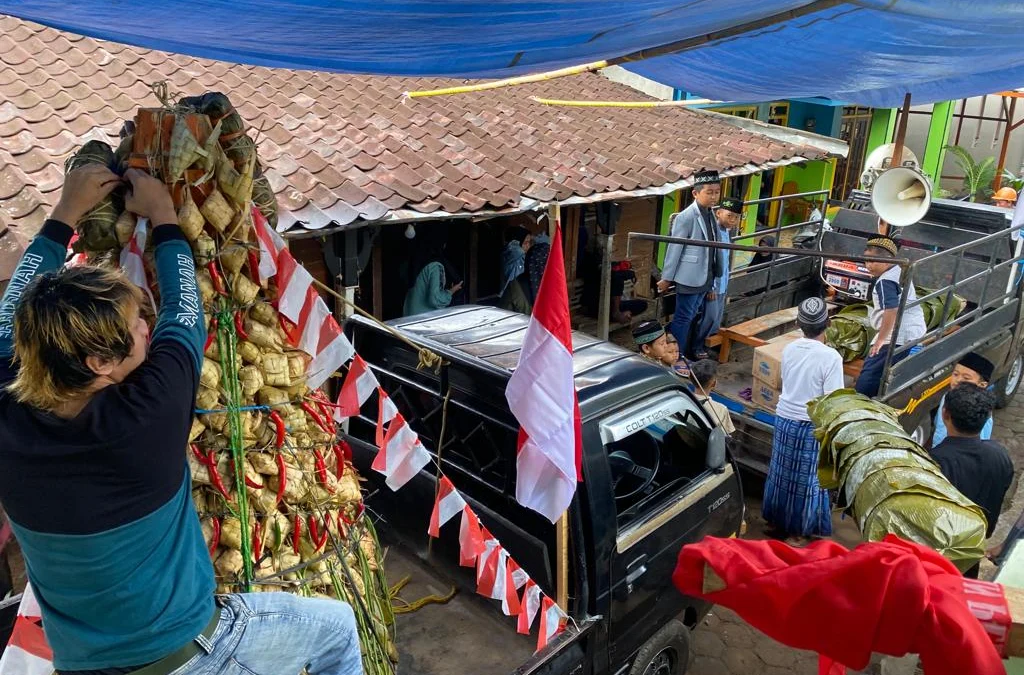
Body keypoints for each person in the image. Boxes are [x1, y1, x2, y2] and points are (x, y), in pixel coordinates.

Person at [0, 166, 362, 675]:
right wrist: (165, 216)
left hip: (81, 666)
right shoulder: (145, 415)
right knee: (338, 630)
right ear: (100, 365)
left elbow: (10, 309)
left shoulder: (8, 410)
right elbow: (186, 313)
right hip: (188, 656)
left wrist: (64, 213)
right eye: (135, 326)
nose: (148, 327)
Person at [763, 297, 844, 538]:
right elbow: (832, 401)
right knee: (805, 481)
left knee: (780, 474)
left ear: (799, 324)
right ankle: (799, 531)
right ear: (827, 324)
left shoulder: (789, 349)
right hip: (809, 425)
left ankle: (776, 521)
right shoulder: (831, 358)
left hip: (784, 419)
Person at [930, 384, 1012, 578]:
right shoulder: (999, 455)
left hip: (940, 556)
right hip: (974, 547)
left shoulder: (933, 462)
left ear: (945, 414)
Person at [657, 170, 722, 373]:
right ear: (696, 193)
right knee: (683, 318)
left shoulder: (711, 214)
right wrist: (667, 278)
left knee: (693, 315)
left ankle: (684, 353)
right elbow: (674, 249)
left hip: (706, 275)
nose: (713, 196)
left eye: (717, 192)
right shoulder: (686, 217)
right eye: (709, 192)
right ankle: (677, 358)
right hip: (689, 276)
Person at [854, 235, 927, 398]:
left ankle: (862, 399)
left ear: (887, 261)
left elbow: (891, 311)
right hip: (913, 329)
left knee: (868, 378)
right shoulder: (899, 270)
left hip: (897, 335)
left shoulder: (885, 282)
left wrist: (881, 340)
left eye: (873, 261)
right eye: (866, 261)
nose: (868, 265)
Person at [694, 198, 742, 359]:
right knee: (708, 318)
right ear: (718, 213)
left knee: (716, 320)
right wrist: (711, 286)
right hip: (714, 285)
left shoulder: (725, 232)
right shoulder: (713, 232)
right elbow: (709, 260)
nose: (733, 220)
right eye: (729, 216)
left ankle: (706, 347)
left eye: (736, 217)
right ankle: (697, 347)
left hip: (722, 285)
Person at [931, 352, 995, 446]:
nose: (958, 380)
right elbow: (938, 425)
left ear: (982, 385)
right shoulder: (947, 396)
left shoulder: (981, 411)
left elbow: (980, 442)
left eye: (966, 378)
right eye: (955, 374)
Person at [404, 238, 462, 316]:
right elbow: (434, 300)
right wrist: (451, 291)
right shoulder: (434, 266)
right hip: (422, 318)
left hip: (409, 314)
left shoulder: (416, 262)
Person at [689, 359, 736, 435]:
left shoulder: (682, 399)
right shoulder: (721, 409)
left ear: (689, 378)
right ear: (714, 384)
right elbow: (723, 437)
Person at [501, 226, 532, 296]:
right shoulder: (512, 254)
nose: (528, 246)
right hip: (510, 295)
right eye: (525, 243)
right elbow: (513, 248)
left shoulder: (524, 257)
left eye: (529, 242)